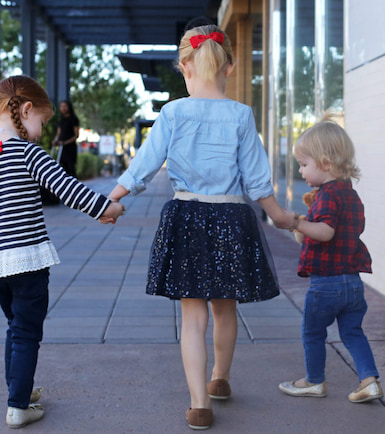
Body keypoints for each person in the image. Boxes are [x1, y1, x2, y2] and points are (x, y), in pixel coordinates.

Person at [107, 25, 296, 430]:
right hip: (231, 216)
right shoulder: (242, 115)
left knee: (193, 316)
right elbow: (258, 179)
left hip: (188, 215)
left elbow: (146, 163)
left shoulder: (173, 112)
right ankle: (220, 380)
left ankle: (198, 404)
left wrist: (115, 196)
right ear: (230, 66)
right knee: (225, 307)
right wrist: (280, 215)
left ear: (183, 66)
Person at [0, 75, 125, 429]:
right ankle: (18, 406)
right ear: (26, 109)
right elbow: (68, 189)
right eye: (42, 123)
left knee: (15, 326)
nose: (41, 131)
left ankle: (20, 388)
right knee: (27, 332)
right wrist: (105, 209)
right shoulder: (29, 153)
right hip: (28, 263)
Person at [278, 114, 383, 404]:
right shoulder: (350, 195)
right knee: (352, 332)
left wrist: (296, 222)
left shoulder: (326, 196)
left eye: (303, 164)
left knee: (312, 332)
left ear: (325, 162)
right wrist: (306, 221)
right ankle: (368, 380)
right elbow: (336, 231)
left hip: (326, 285)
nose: (300, 171)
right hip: (353, 284)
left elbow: (324, 233)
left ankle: (313, 381)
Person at [52, 100, 79, 178]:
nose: (63, 108)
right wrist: (55, 140)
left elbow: (76, 135)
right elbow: (58, 133)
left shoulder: (74, 119)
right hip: (62, 148)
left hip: (70, 149)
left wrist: (65, 142)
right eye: (61, 106)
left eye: (65, 106)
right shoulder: (61, 119)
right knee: (62, 168)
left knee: (71, 169)